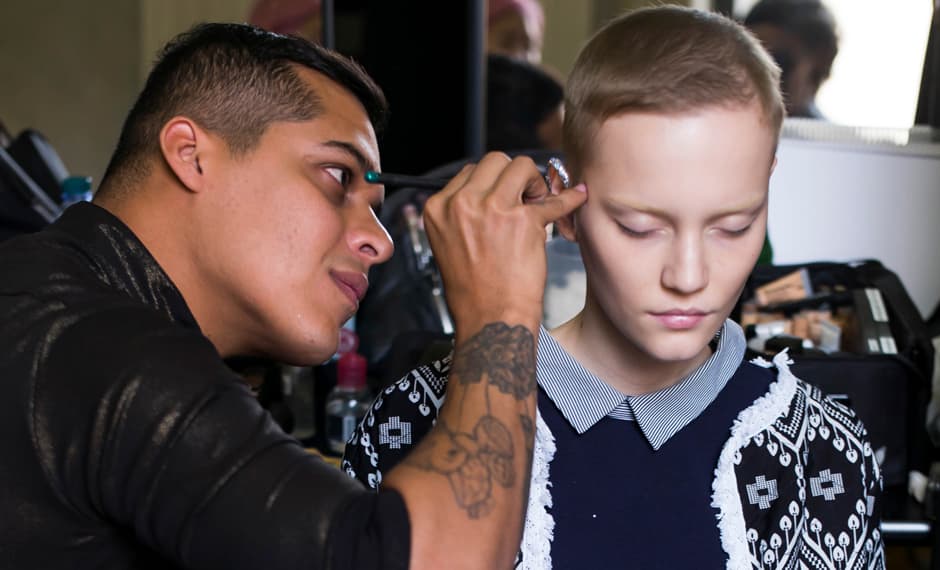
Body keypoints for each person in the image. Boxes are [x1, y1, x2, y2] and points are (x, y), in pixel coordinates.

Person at [0, 22, 587, 569]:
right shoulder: (100, 347)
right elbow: (429, 558)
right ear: (190, 154)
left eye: (377, 208)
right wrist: (498, 308)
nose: (379, 244)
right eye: (338, 176)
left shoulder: (60, 292)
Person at [343, 6, 884, 569]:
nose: (689, 276)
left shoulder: (819, 450)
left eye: (733, 226)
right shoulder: (415, 418)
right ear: (568, 207)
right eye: (640, 228)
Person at [744, 0, 839, 119]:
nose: (761, 78)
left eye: (779, 62)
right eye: (750, 63)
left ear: (818, 70)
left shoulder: (826, 136)